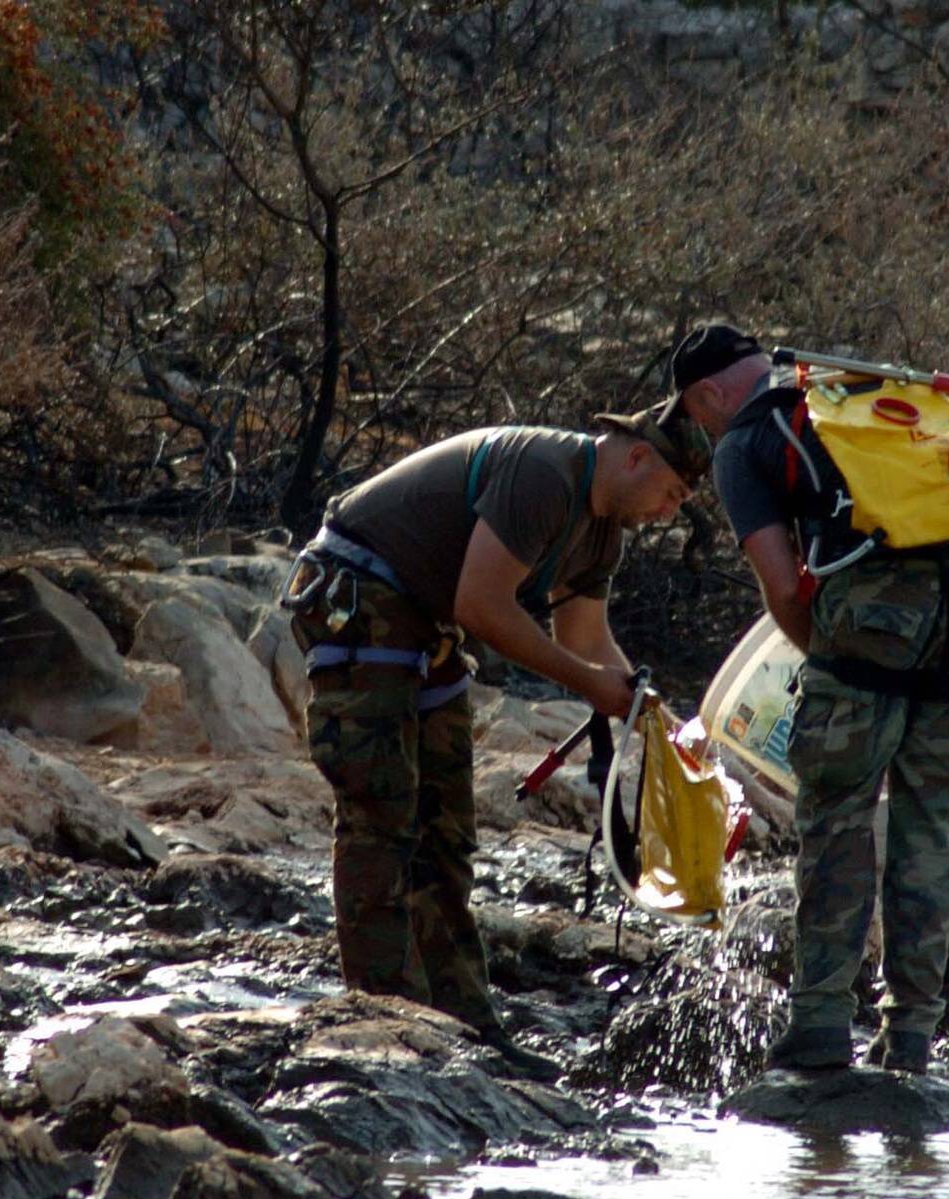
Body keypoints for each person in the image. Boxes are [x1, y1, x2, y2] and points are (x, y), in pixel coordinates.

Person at [282, 401, 710, 1080]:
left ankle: (465, 1027)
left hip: (428, 627)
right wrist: (591, 685)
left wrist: (661, 720)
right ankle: (384, 1020)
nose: (668, 512)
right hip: (360, 591)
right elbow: (480, 605)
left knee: (446, 833)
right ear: (636, 456)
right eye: (671, 494)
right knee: (383, 814)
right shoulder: (545, 473)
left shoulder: (604, 534)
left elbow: (587, 640)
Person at [671, 325, 949, 1075]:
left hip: (873, 623)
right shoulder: (853, 391)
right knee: (931, 827)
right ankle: (912, 1034)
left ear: (708, 394)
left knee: (837, 816)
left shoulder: (745, 440)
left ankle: (822, 1022)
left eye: (698, 416)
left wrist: (828, 665)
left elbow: (785, 586)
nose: (704, 430)